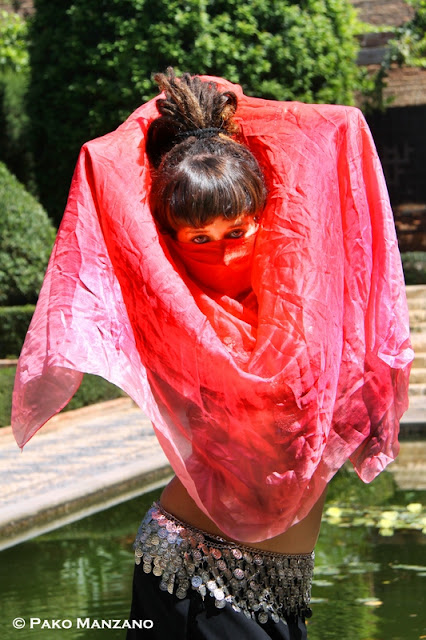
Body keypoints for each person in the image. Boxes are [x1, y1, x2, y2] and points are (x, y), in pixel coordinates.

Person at [12, 70, 413, 639]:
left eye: (236, 233)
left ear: (265, 222)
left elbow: (337, 133)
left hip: (283, 588)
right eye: (199, 238)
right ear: (173, 242)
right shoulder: (177, 316)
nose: (221, 254)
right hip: (193, 576)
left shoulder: (308, 304)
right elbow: (110, 176)